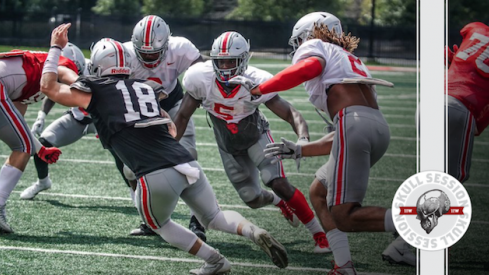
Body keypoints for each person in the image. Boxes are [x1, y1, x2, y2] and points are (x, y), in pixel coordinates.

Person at [40, 23, 288, 274]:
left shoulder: (96, 93)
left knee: (159, 224)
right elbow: (170, 127)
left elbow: (48, 87)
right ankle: (253, 230)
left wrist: (54, 49)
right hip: (185, 162)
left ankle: (215, 260)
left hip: (153, 169)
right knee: (214, 217)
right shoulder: (146, 88)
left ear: (97, 68)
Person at [230, 12, 414, 274]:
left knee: (344, 215)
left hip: (354, 126)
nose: (297, 47)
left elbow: (310, 68)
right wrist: (301, 148)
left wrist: (262, 88)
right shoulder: (348, 59)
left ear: (309, 35)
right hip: (373, 127)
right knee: (318, 191)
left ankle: (413, 223)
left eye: (299, 40)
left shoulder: (317, 47)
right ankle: (343, 265)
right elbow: (347, 129)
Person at [174, 31, 331, 254]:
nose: (226, 66)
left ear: (244, 60)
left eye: (232, 61)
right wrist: (168, 147)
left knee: (276, 181)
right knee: (252, 199)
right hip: (228, 145)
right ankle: (279, 202)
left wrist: (303, 140)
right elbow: (181, 116)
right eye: (221, 61)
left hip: (256, 136)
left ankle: (319, 235)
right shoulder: (200, 78)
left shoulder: (257, 80)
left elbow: (290, 113)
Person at [122, 15, 206, 238]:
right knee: (130, 170)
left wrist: (198, 97)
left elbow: (204, 75)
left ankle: (197, 220)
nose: (149, 57)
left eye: (154, 52)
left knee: (187, 156)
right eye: (145, 52)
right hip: (140, 111)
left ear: (167, 45)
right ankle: (151, 219)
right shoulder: (124, 54)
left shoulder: (180, 47)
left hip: (175, 104)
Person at [0, 47, 73, 233]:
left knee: (22, 143)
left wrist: (40, 149)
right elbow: (67, 73)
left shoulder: (25, 81)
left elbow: (19, 128)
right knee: (22, 146)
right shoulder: (63, 65)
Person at [19, 43, 97, 200]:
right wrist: (41, 115)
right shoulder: (54, 68)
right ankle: (43, 182)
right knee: (43, 143)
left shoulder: (97, 68)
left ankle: (134, 192)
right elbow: (52, 91)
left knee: (120, 152)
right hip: (77, 119)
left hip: (100, 120)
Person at [445, 22, 489, 183]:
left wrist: (454, 66)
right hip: (460, 108)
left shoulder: (475, 28)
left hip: (428, 103)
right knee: (453, 180)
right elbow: (476, 129)